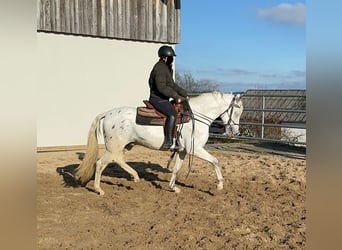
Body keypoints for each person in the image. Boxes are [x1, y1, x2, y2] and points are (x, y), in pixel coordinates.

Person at [148, 45, 189, 150]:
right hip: (157, 99)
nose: (172, 59)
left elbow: (173, 85)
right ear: (164, 57)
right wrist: (176, 96)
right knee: (172, 114)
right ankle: (168, 141)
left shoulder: (167, 68)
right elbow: (161, 87)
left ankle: (178, 139)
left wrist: (184, 93)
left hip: (163, 99)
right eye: (170, 57)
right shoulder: (160, 68)